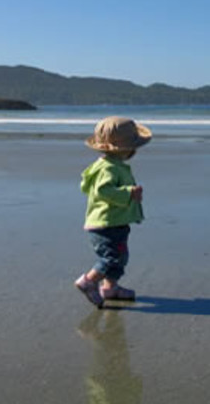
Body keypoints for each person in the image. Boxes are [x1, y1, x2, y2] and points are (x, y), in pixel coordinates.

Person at [75, 116, 152, 308]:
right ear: (126, 149)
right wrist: (128, 193)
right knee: (112, 257)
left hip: (113, 222)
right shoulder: (109, 168)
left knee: (120, 256)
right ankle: (89, 281)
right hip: (106, 224)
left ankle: (110, 287)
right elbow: (102, 190)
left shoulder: (108, 165)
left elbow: (87, 187)